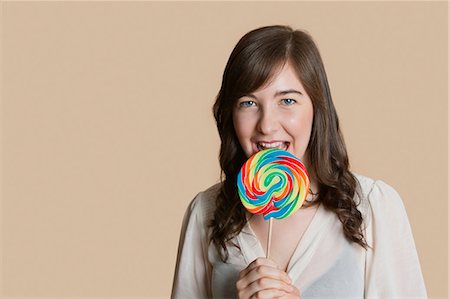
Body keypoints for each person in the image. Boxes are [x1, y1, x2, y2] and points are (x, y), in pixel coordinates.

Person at [171, 25, 427, 299]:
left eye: (288, 100)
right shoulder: (206, 212)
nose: (267, 126)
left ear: (317, 108)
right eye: (248, 103)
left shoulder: (373, 207)